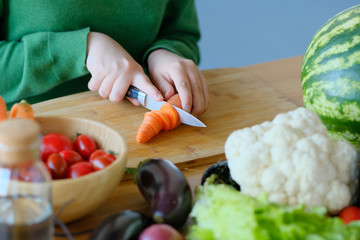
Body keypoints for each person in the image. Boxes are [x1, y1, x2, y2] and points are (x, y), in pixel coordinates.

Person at [0, 0, 209, 116]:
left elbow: (180, 32)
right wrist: (81, 49)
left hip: (135, 124)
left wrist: (165, 52)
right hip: (30, 138)